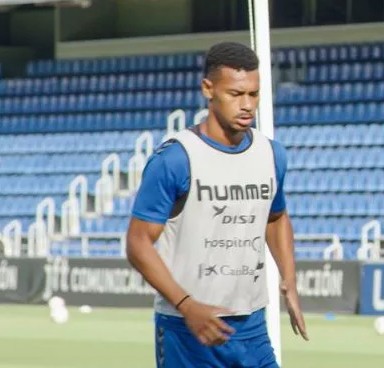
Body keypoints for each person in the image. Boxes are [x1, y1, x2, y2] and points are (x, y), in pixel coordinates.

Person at [125, 42, 308, 368]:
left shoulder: (271, 154)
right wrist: (187, 305)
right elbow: (138, 243)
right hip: (188, 329)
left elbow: (276, 218)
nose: (247, 105)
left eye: (253, 94)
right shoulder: (176, 159)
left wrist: (289, 279)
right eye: (236, 94)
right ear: (208, 89)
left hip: (252, 326)